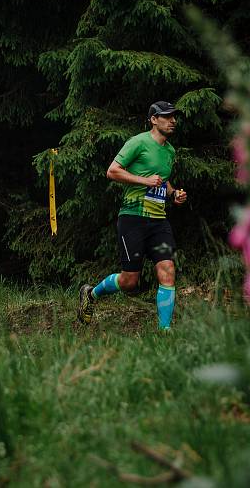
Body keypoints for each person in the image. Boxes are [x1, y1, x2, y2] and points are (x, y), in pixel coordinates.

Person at [78, 101, 188, 330]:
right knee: (129, 281)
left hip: (159, 220)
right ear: (154, 119)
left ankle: (164, 331)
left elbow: (163, 180)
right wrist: (144, 181)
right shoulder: (138, 142)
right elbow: (112, 171)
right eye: (167, 116)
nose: (173, 120)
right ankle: (90, 294)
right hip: (133, 218)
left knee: (167, 271)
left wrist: (173, 194)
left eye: (174, 117)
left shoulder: (170, 151)